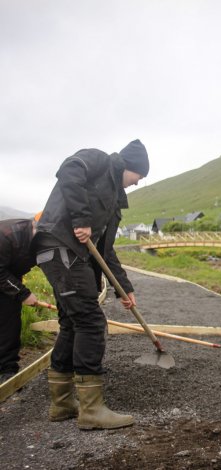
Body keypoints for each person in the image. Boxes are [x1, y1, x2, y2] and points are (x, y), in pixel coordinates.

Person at [35, 139, 149, 430]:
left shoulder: (113, 206)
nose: (137, 184)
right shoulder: (97, 160)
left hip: (73, 257)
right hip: (59, 246)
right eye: (139, 177)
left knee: (72, 323)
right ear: (129, 167)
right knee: (90, 321)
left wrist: (124, 288)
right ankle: (92, 410)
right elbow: (68, 170)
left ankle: (62, 404)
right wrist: (81, 219)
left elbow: (106, 252)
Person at [0, 217, 39, 384]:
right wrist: (23, 294)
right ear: (35, 226)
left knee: (9, 322)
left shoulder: (41, 241)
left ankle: (7, 372)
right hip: (2, 273)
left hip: (10, 275)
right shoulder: (7, 235)